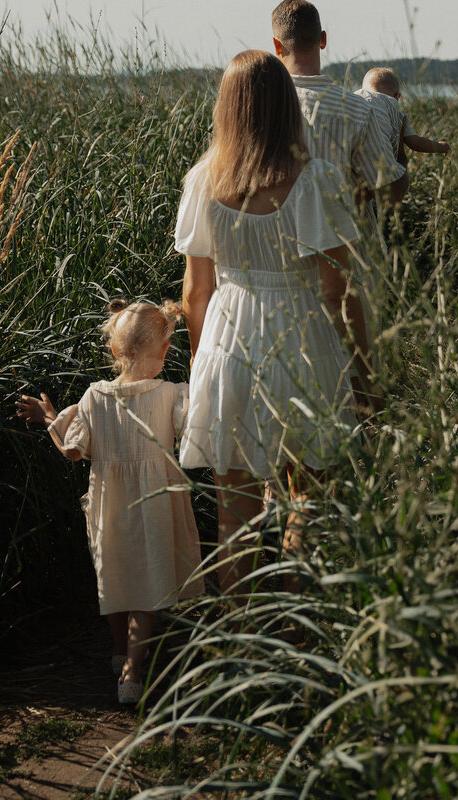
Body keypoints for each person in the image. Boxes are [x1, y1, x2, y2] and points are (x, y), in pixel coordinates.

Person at [175, 50, 374, 598]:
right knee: (305, 503)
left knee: (232, 515)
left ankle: (237, 642)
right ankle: (296, 641)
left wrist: (200, 366)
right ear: (288, 107)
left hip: (227, 342)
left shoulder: (202, 183)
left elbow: (197, 292)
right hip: (301, 343)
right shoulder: (317, 182)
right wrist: (364, 373)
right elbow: (339, 292)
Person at [16, 299, 204, 706]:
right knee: (147, 586)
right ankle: (132, 672)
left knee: (117, 580)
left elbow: (73, 450)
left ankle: (120, 654)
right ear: (166, 351)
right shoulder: (172, 393)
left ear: (115, 351)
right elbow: (198, 422)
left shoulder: (94, 396)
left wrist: (51, 418)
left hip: (110, 505)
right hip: (154, 503)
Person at [271, 0, 408, 209]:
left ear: (277, 46)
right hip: (350, 239)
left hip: (280, 239)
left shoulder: (263, 105)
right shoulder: (357, 109)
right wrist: (400, 144)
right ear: (323, 39)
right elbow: (392, 194)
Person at [356, 66, 451, 158]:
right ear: (398, 96)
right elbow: (416, 143)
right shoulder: (399, 117)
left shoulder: (355, 100)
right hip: (380, 163)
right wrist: (441, 146)